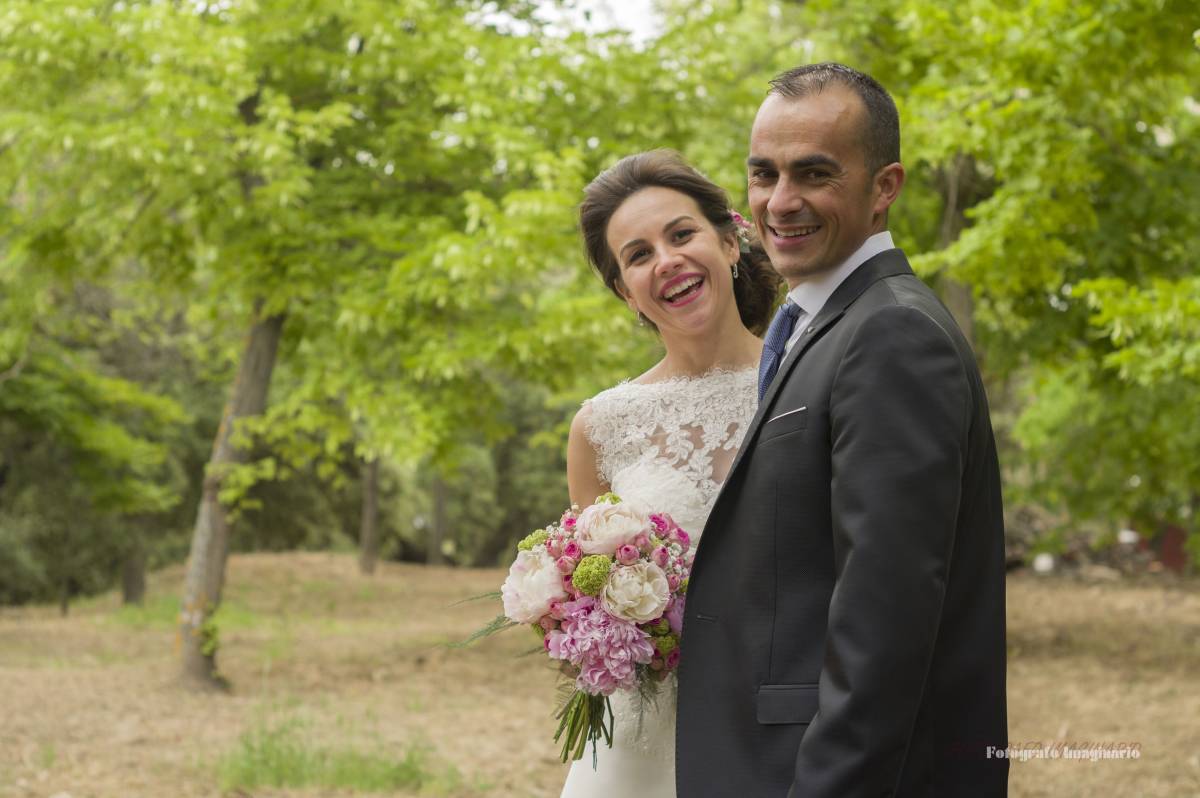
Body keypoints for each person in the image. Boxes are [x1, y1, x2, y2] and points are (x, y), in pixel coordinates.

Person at [676, 63, 1009, 796]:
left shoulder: (892, 333)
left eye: (814, 174)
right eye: (763, 174)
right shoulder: (818, 323)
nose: (780, 202)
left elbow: (883, 632)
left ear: (884, 186)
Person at [561, 149, 781, 797]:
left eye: (681, 234)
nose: (667, 260)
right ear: (625, 291)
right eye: (638, 254)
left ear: (730, 241)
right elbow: (589, 597)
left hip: (778, 725)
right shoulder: (599, 427)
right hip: (641, 744)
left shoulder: (810, 383)